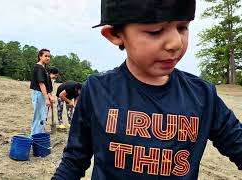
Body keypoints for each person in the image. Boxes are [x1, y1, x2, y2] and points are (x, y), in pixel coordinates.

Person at [52, 0, 242, 179]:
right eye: (155, 31)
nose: (176, 43)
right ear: (116, 35)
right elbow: (74, 161)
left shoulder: (203, 95)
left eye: (182, 27)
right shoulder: (97, 89)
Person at [29, 48, 54, 136]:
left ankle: (39, 135)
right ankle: (35, 137)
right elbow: (41, 84)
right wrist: (46, 98)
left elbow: (47, 84)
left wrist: (50, 95)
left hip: (43, 94)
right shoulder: (39, 67)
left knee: (42, 116)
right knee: (39, 116)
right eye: (45, 56)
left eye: (49, 56)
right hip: (39, 94)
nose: (48, 58)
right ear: (40, 56)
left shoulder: (44, 68)